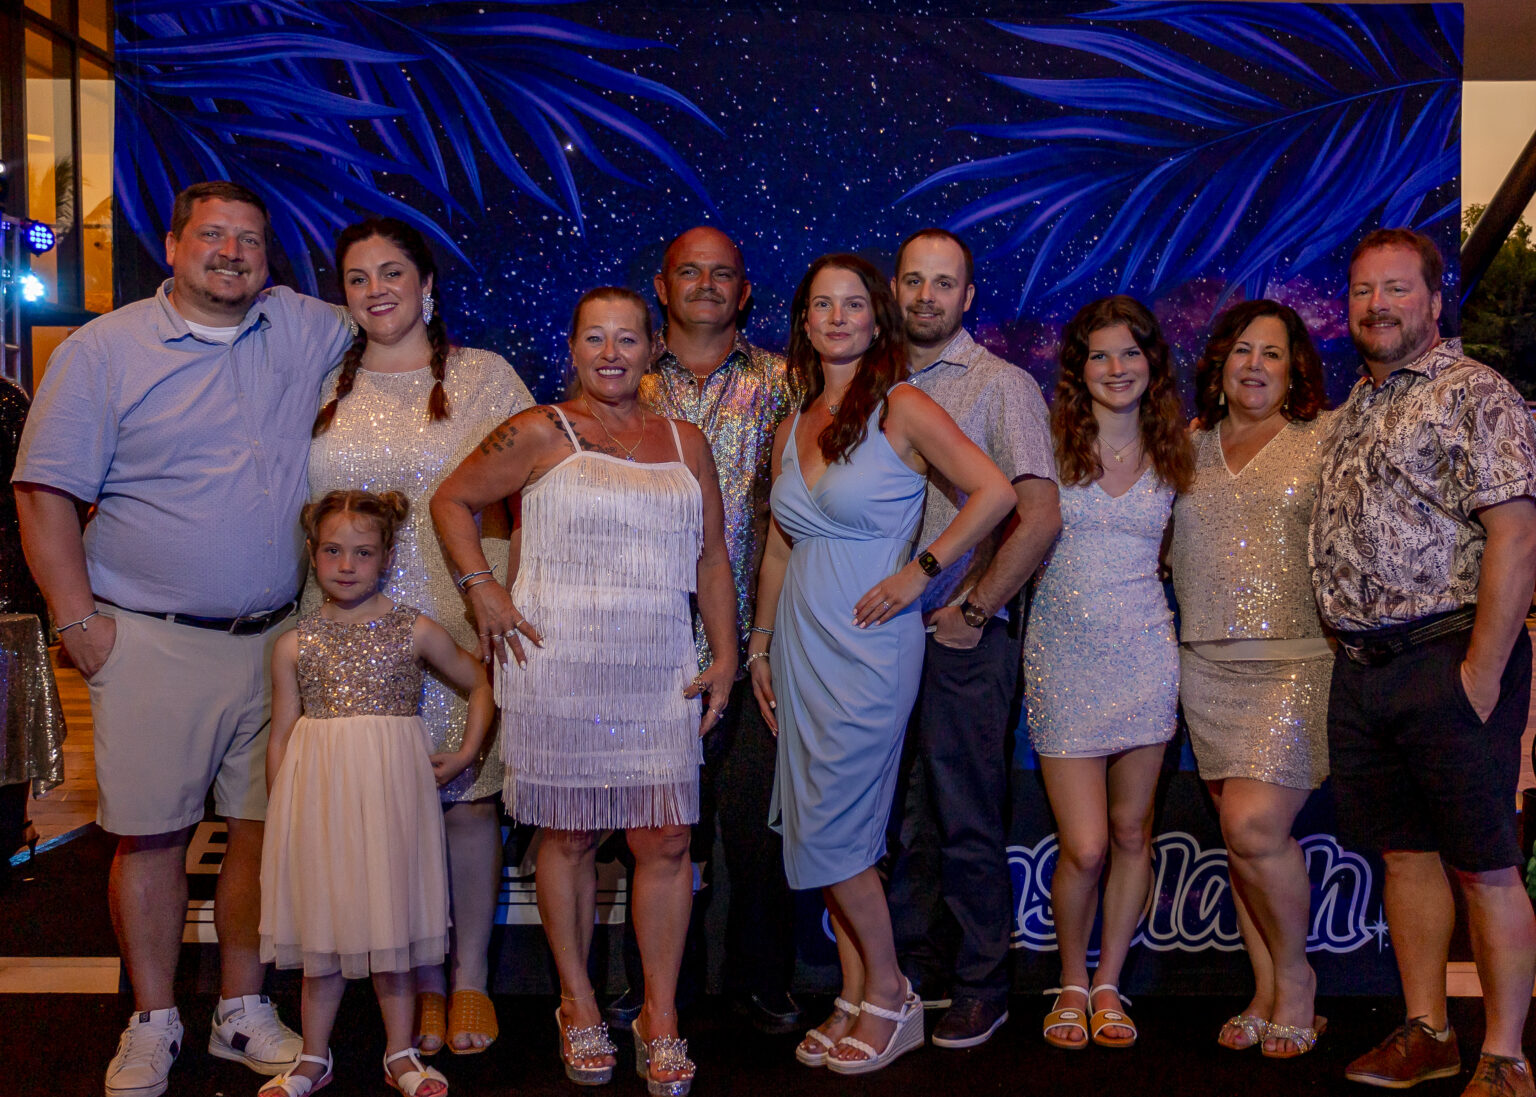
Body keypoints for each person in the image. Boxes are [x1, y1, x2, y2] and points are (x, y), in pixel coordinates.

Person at [13, 180, 352, 1097]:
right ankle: (154, 1016)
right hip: (150, 639)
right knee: (152, 837)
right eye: (212, 235)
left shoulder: (300, 325)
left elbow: (394, 317)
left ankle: (242, 1008)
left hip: (276, 640)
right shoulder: (102, 351)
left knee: (260, 834)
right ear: (171, 246)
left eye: (250, 238)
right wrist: (78, 622)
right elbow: (43, 492)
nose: (232, 252)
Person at [431, 286, 735, 1097]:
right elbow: (451, 499)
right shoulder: (539, 428)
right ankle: (578, 1002)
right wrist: (482, 588)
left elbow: (711, 555)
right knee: (566, 837)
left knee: (665, 838)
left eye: (627, 338)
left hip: (658, 663)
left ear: (652, 348)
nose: (611, 353)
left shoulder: (687, 440)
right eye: (594, 338)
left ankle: (659, 1014)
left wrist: (727, 653)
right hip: (558, 663)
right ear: (571, 348)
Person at [749, 253, 1015, 1075]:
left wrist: (921, 571)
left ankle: (893, 995)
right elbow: (779, 548)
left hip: (870, 640)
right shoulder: (792, 423)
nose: (837, 318)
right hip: (800, 642)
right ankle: (855, 992)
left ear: (877, 319)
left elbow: (996, 492)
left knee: (840, 827)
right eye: (822, 305)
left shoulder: (903, 404)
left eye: (853, 304)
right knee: (820, 822)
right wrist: (759, 643)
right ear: (804, 320)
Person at [1312, 229, 1536, 1097]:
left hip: (1449, 654)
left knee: (1484, 861)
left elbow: (1516, 536)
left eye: (1398, 288)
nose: (1378, 305)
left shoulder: (1475, 391)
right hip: (1364, 668)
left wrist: (1480, 673)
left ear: (1436, 301)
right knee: (1405, 855)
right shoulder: (1354, 406)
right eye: (1363, 290)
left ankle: (1506, 1055)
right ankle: (1429, 1032)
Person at [306, 217, 533, 1056]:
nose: (377, 290)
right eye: (359, 277)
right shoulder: (320, 382)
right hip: (347, 628)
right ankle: (421, 978)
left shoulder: (484, 377)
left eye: (393, 272)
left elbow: (534, 492)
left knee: (466, 803)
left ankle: (470, 976)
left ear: (428, 284)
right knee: (385, 810)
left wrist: (508, 595)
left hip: (458, 610)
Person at [884, 228, 1061, 1048]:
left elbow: (1040, 514)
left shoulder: (1001, 384)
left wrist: (977, 609)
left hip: (960, 636)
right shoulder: (873, 382)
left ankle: (983, 984)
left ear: (969, 296)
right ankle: (903, 979)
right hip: (880, 636)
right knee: (897, 818)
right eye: (913, 281)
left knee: (964, 815)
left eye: (943, 283)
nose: (927, 296)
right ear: (894, 289)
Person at [627, 225, 801, 1034]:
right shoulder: (626, 379)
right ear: (662, 287)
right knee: (655, 832)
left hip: (762, 637)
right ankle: (660, 987)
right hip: (646, 638)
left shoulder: (786, 381)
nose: (705, 284)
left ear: (745, 291)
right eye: (689, 272)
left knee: (759, 825)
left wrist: (765, 634)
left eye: (722, 273)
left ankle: (764, 980)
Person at [259, 490, 491, 1097]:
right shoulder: (294, 644)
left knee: (392, 926)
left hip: (390, 804)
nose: (346, 565)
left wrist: (466, 752)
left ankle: (400, 1055)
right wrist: (282, 813)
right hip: (320, 804)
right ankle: (313, 1057)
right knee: (323, 927)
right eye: (332, 551)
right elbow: (281, 735)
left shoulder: (415, 630)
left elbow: (480, 682)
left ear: (386, 557)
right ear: (313, 554)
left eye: (362, 552)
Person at [1026, 295, 1193, 1051]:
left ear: (1152, 362)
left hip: (1146, 655)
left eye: (1130, 352)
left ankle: (1107, 983)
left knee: (1132, 830)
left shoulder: (1179, 449)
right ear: (1079, 368)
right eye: (1100, 354)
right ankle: (1069, 978)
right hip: (1062, 656)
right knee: (1086, 844)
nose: (1116, 368)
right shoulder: (1046, 442)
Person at [1168, 300, 1333, 1058]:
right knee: (1241, 848)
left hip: (1294, 665)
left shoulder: (1323, 437)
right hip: (1204, 668)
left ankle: (1297, 982)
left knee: (1253, 827)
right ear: (1220, 364)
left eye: (1272, 352)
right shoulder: (1185, 447)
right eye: (1242, 351)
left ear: (1295, 367)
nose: (1256, 365)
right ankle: (1264, 990)